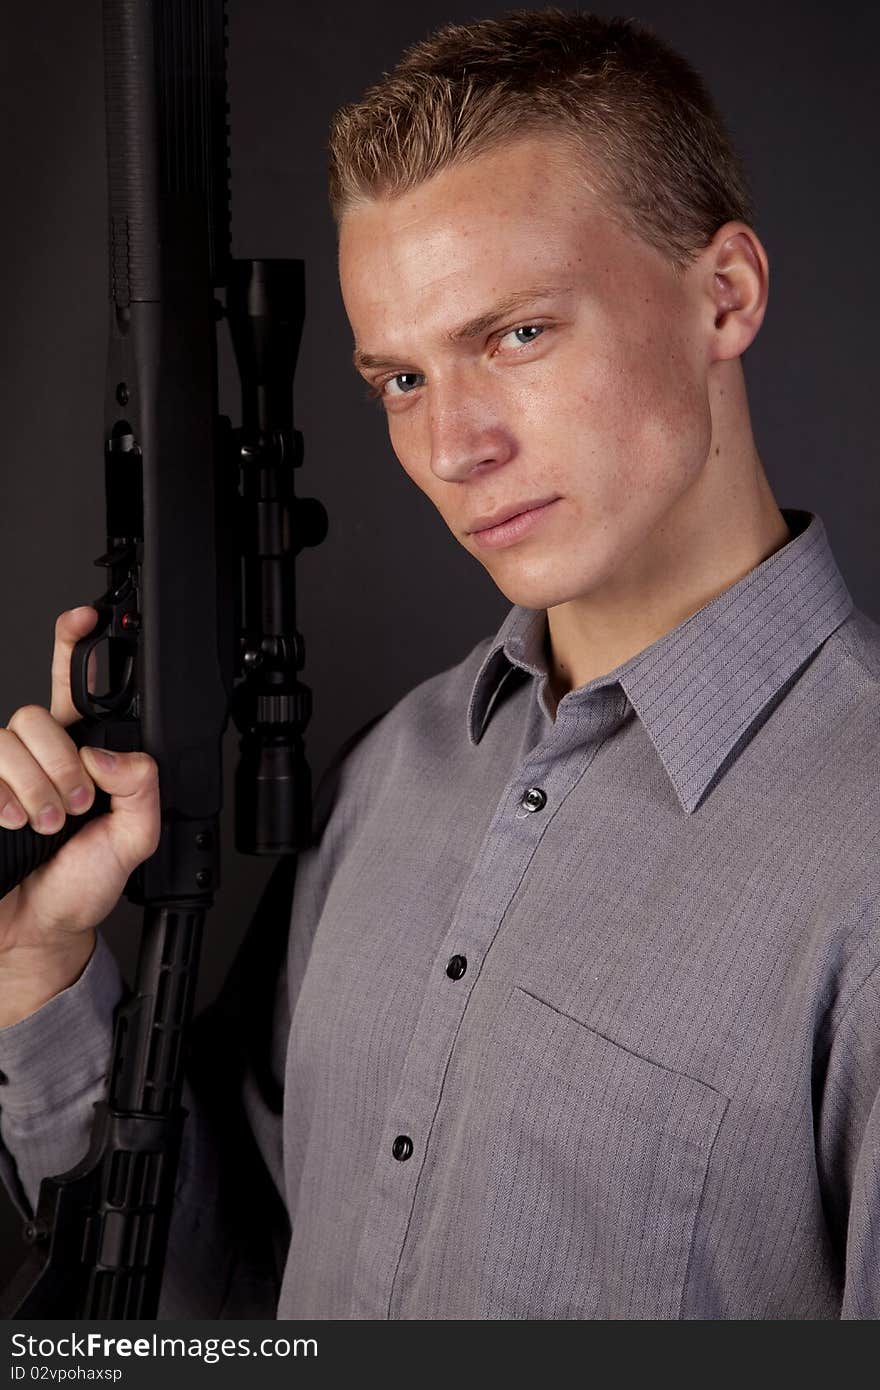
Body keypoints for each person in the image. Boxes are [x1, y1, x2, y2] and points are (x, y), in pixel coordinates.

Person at [0, 9, 878, 1320]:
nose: (455, 446)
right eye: (400, 379)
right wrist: (42, 966)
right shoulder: (391, 774)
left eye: (516, 335)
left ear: (726, 295)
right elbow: (224, 1297)